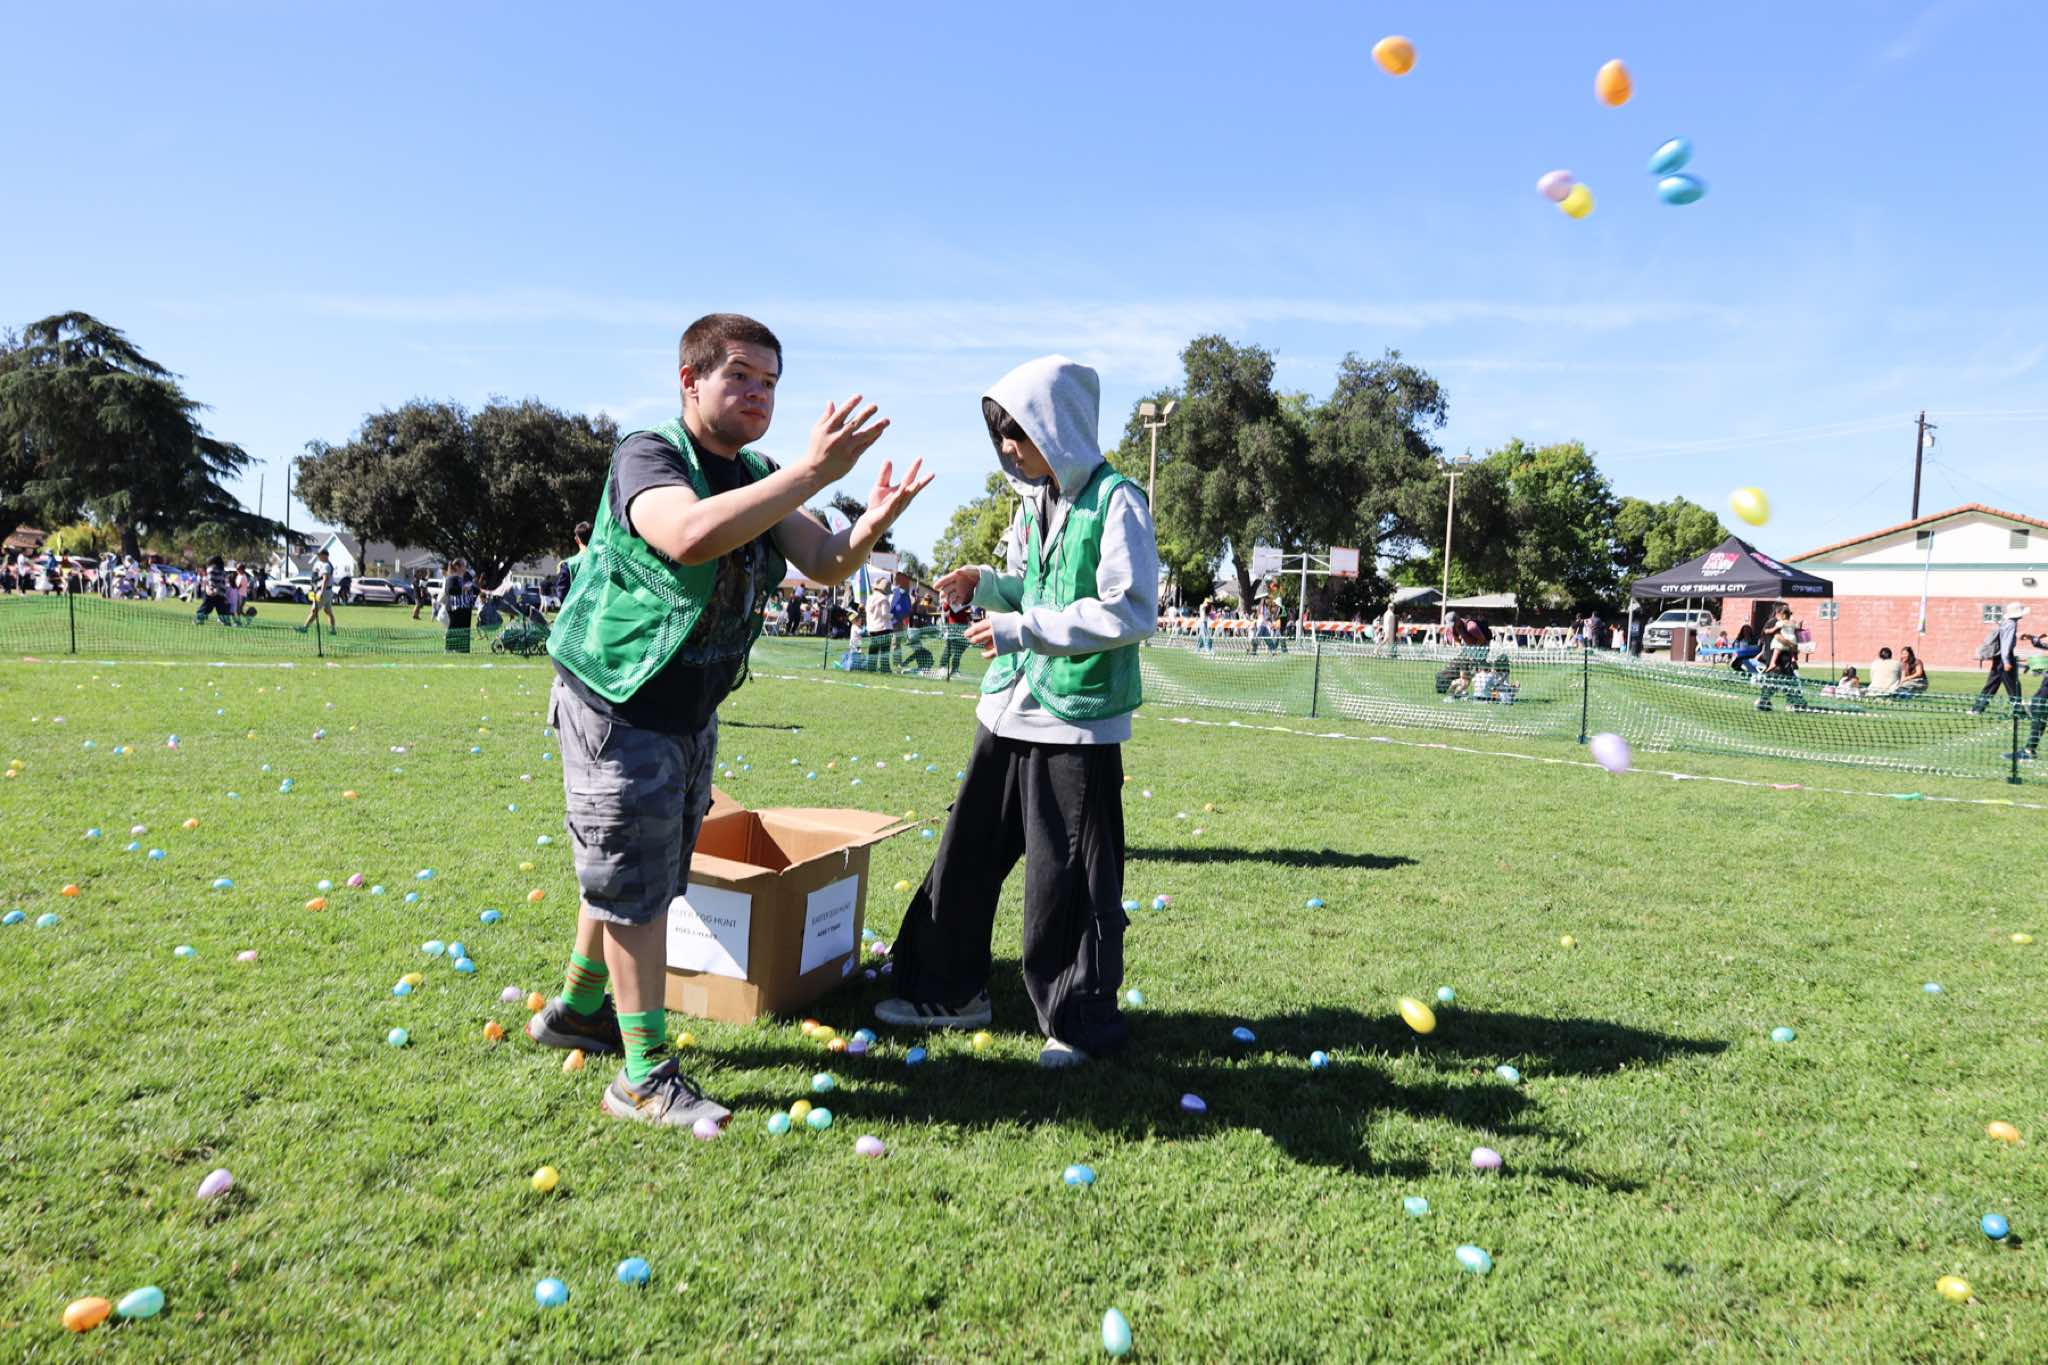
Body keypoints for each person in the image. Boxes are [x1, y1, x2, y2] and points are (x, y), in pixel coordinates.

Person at [532, 312, 926, 1132]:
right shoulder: (650, 456)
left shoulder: (756, 472)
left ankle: (578, 1007)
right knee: (635, 884)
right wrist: (812, 472)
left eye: (770, 382)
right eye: (740, 375)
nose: (758, 394)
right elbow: (687, 536)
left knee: (641, 869)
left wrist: (872, 520)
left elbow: (825, 562)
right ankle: (643, 1077)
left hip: (686, 708)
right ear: (691, 380)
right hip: (618, 699)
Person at [877, 355, 1157, 1069]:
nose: (1008, 448)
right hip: (1009, 704)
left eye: (1019, 433)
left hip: (1077, 719)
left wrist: (1021, 627)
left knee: (1066, 876)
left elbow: (1131, 609)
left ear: (1059, 428)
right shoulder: (1034, 503)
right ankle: (946, 987)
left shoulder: (1118, 500)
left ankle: (1078, 1021)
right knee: (967, 848)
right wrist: (986, 585)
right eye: (1000, 434)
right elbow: (1034, 589)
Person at [1969, 603, 2027, 715]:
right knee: (2014, 686)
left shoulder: (2006, 623)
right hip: (2005, 658)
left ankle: (1977, 709)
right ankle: (2019, 712)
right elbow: (2006, 644)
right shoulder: (2011, 624)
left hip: (1998, 659)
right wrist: (2006, 661)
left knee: (1991, 685)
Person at [295, 549, 338, 634]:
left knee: (314, 610)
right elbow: (316, 576)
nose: (319, 556)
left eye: (320, 555)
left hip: (324, 590)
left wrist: (321, 592)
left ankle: (305, 628)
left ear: (325, 555)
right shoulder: (321, 564)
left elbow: (325, 579)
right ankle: (333, 630)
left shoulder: (326, 565)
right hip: (326, 591)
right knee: (328, 611)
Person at [440, 559, 476, 651]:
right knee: (454, 628)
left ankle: (463, 649)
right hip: (454, 608)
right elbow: (450, 591)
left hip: (465, 607)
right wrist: (464, 588)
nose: (465, 567)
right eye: (463, 565)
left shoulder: (466, 576)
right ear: (457, 567)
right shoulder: (451, 578)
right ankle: (449, 648)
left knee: (464, 630)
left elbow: (473, 588)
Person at [193, 555, 233, 625]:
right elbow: (223, 582)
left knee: (205, 607)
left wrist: (212, 589)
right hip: (220, 593)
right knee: (222, 609)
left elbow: (210, 580)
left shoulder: (211, 569)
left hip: (212, 592)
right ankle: (226, 622)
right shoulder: (223, 571)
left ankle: (198, 619)